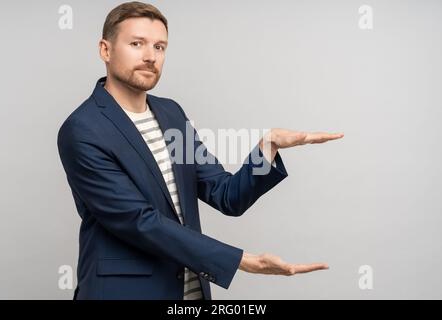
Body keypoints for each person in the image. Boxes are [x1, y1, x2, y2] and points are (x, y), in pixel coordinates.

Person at [57, 1, 344, 300]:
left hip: (191, 293)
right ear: (105, 50)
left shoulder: (171, 114)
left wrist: (266, 149)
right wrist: (242, 261)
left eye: (159, 47)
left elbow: (226, 195)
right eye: (136, 43)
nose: (150, 56)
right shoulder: (82, 130)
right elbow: (139, 221)